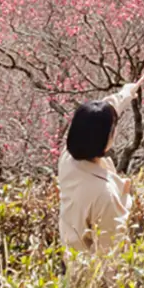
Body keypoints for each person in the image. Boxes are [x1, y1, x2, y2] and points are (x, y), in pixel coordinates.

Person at [57, 81, 139, 254]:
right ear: (104, 140)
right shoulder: (104, 194)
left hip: (70, 257)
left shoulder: (67, 157)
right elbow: (110, 252)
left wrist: (125, 94)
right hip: (89, 273)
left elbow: (96, 118)